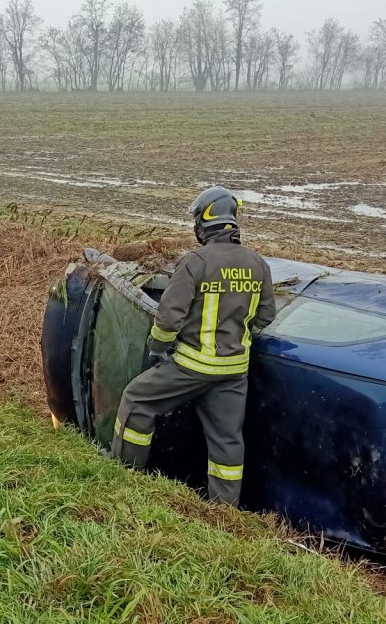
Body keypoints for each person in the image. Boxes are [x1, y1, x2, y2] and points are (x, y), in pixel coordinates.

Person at [110, 186, 276, 506]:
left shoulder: (195, 262)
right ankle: (224, 511)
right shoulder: (258, 264)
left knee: (136, 400)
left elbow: (169, 318)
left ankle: (124, 473)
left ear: (205, 222)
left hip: (192, 366)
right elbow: (266, 315)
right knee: (226, 441)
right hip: (234, 371)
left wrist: (157, 347)